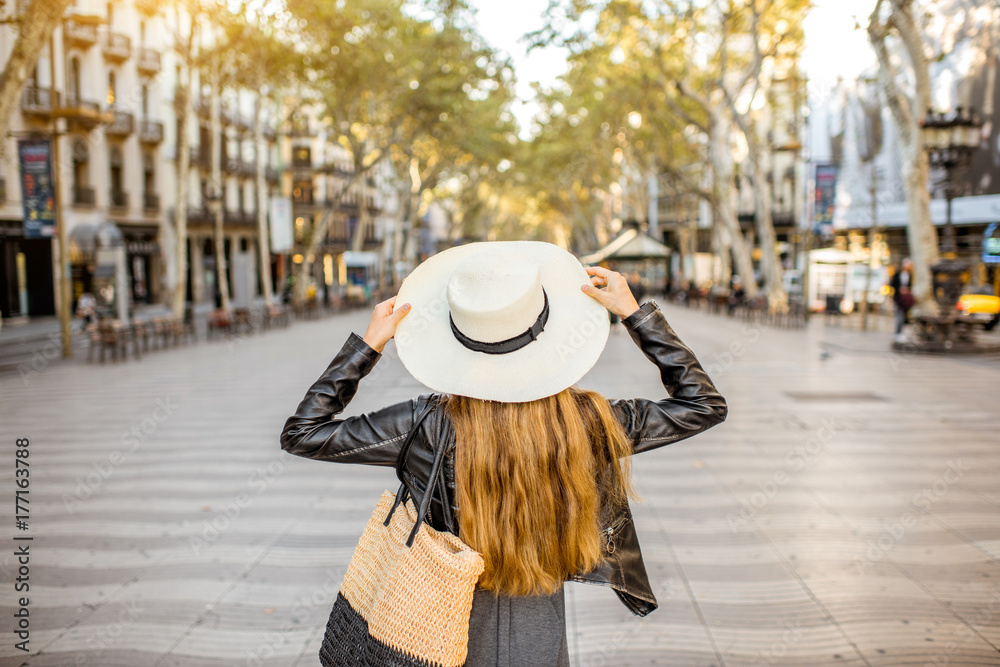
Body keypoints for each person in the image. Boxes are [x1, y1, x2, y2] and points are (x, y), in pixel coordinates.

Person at [280, 241, 727, 667]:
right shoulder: (588, 421)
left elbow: (304, 432)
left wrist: (368, 345)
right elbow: (703, 405)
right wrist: (635, 314)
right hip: (541, 614)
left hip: (443, 620)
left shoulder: (426, 425)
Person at [889, 257, 915, 340]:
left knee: (905, 316)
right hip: (898, 298)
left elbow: (911, 285)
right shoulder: (897, 274)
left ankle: (902, 332)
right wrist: (899, 290)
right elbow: (892, 284)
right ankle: (898, 333)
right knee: (899, 316)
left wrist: (908, 290)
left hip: (907, 299)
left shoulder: (911, 275)